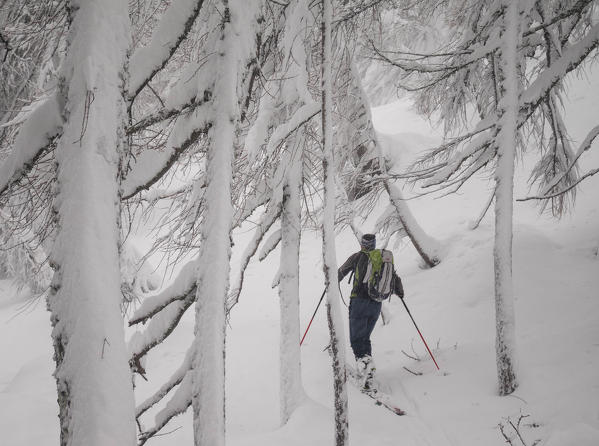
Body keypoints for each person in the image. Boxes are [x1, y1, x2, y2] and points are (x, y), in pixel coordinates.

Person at [338, 233, 404, 389]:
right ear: (374, 244)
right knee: (365, 338)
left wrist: (330, 281)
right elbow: (395, 279)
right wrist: (400, 293)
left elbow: (340, 273)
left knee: (356, 340)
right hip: (376, 305)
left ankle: (366, 374)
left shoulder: (357, 257)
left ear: (362, 244)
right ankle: (369, 369)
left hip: (359, 303)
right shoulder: (381, 258)